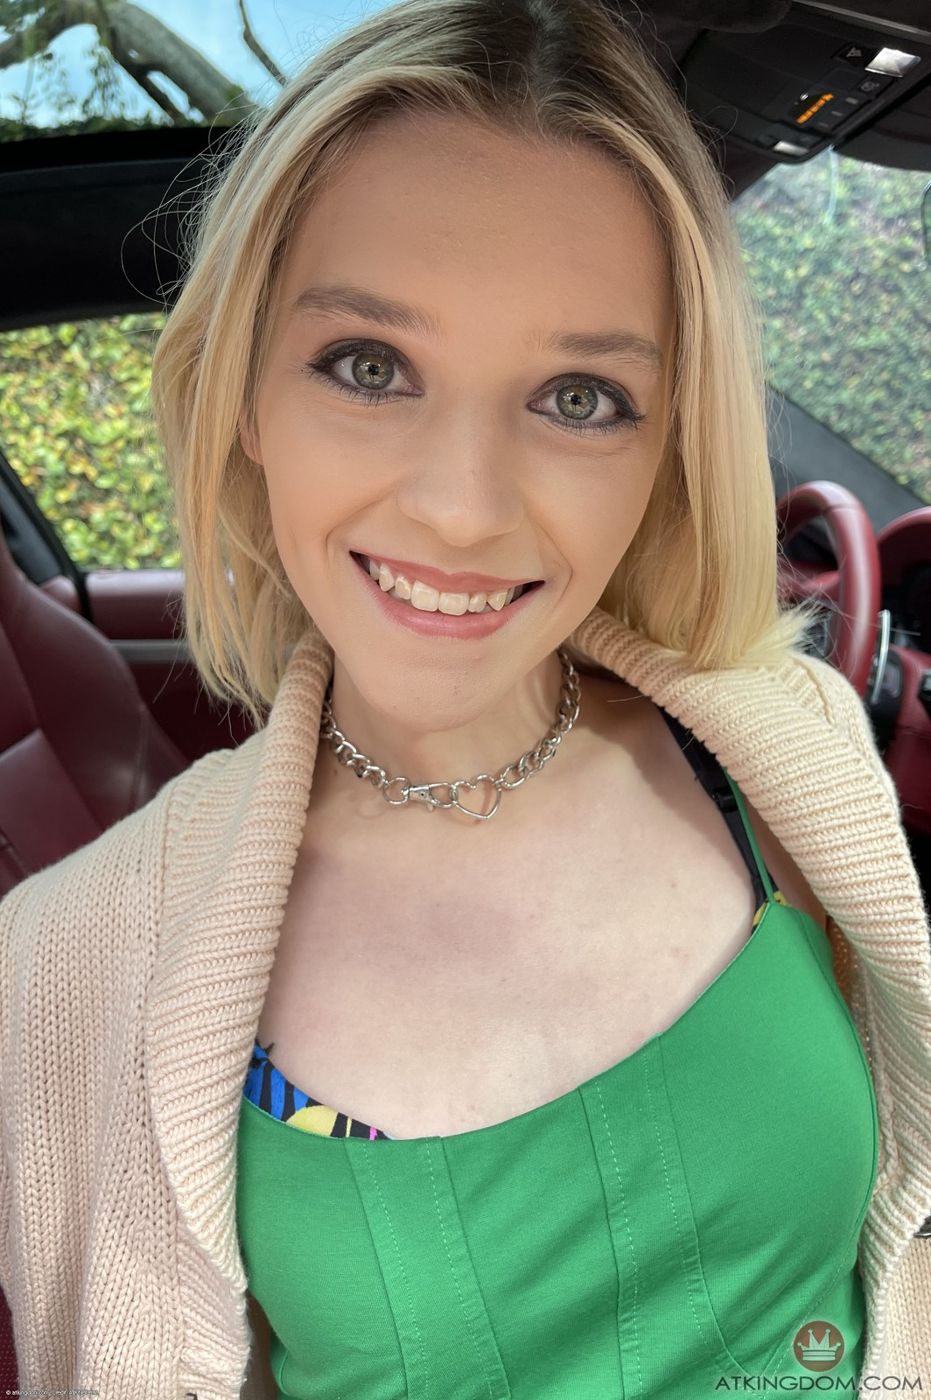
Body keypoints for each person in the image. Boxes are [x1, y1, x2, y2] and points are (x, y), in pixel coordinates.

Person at [2, 0, 930, 1395]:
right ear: (246, 395)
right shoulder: (66, 964)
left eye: (580, 397)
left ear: (668, 446)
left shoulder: (782, 749)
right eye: (369, 368)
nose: (463, 507)